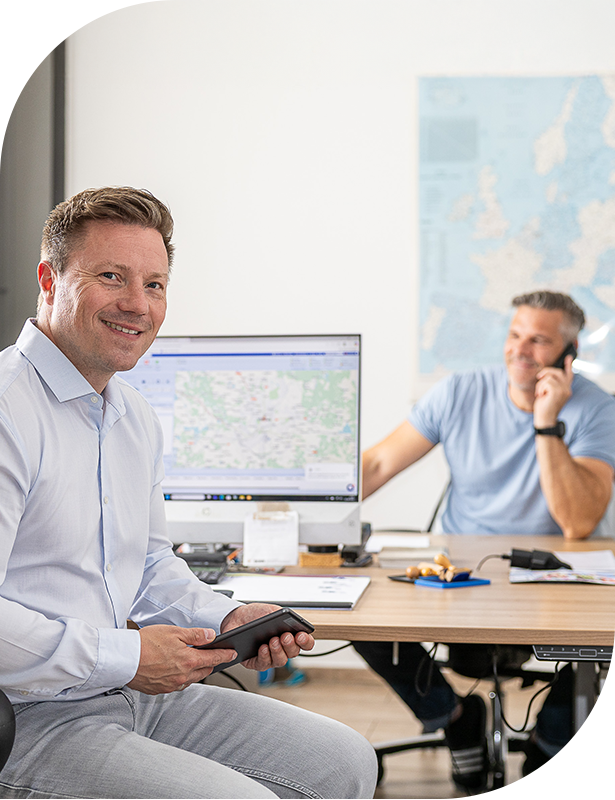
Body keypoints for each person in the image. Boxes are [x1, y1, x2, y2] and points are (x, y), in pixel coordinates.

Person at [0, 186, 378, 800]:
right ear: (49, 279)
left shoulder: (133, 416)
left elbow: (148, 567)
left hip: (121, 696)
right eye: (111, 276)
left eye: (154, 284)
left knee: (347, 762)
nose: (136, 304)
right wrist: (128, 657)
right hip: (26, 720)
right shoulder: (7, 408)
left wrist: (227, 618)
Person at [354, 290, 615, 792]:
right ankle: (453, 717)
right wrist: (305, 502)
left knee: (600, 640)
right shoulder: (460, 392)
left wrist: (546, 423)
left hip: (552, 581)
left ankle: (549, 748)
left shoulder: (597, 410)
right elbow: (379, 464)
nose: (520, 349)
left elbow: (577, 523)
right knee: (359, 610)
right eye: (515, 334)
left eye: (539, 340)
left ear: (569, 351)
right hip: (461, 573)